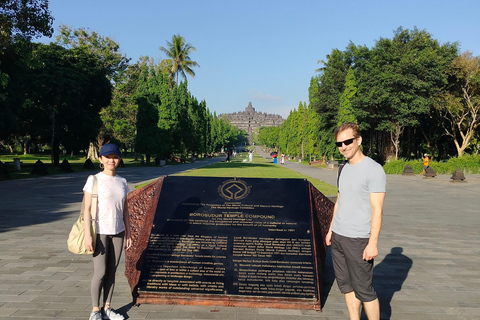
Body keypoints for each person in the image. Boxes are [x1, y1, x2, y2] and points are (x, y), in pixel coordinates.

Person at [325, 122, 386, 320]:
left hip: (359, 239)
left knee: (364, 290)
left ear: (358, 140)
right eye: (339, 144)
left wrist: (373, 243)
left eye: (348, 141)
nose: (343, 147)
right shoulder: (342, 168)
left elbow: (378, 210)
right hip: (339, 236)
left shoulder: (373, 170)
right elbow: (340, 200)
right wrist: (331, 229)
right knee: (346, 286)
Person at [83, 143, 132, 320]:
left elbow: (125, 210)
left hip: (118, 231)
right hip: (100, 232)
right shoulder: (94, 180)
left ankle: (107, 308)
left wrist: (129, 233)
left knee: (112, 271)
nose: (112, 160)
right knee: (100, 272)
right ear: (101, 159)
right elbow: (86, 210)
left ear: (119, 159)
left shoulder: (122, 182)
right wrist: (88, 235)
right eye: (108, 157)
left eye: (115, 157)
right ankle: (95, 310)